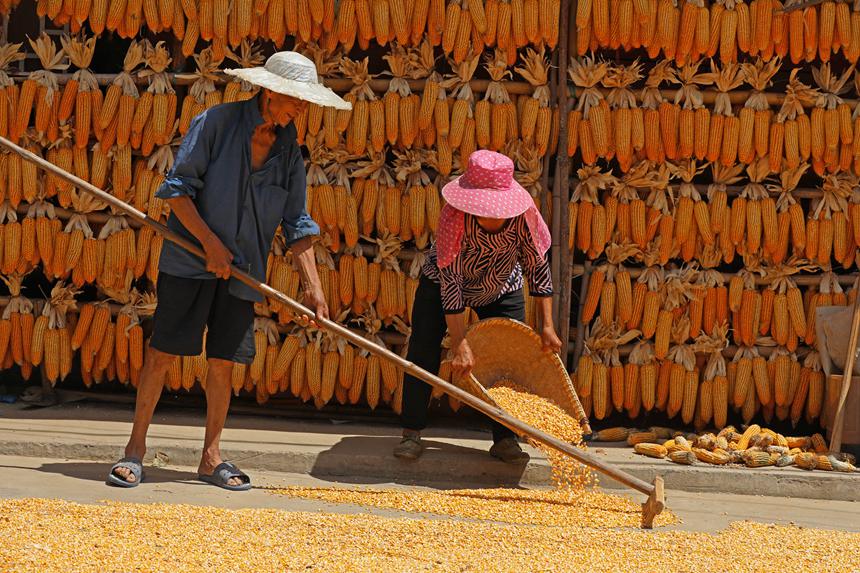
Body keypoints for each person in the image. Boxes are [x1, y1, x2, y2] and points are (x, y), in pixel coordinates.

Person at [106, 52, 350, 490]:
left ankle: (211, 457)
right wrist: (211, 245)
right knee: (162, 352)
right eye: (297, 100)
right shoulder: (216, 124)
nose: (302, 110)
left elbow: (297, 222)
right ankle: (135, 451)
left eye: (305, 103)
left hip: (244, 270)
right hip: (190, 262)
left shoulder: (289, 150)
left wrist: (314, 290)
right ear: (271, 92)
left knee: (223, 363)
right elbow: (177, 191)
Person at [394, 150, 563, 463]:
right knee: (423, 350)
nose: (490, 213)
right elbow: (452, 281)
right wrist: (459, 341)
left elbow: (537, 268)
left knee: (506, 360)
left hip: (501, 286)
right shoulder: (455, 216)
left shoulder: (522, 218)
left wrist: (547, 327)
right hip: (443, 284)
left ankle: (505, 438)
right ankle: (412, 432)